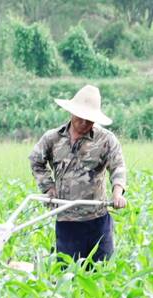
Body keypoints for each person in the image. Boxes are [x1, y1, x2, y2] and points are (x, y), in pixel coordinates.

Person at [29, 84, 127, 263]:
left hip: (97, 219)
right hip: (67, 220)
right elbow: (36, 161)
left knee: (101, 273)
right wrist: (48, 188)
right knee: (69, 274)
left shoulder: (106, 140)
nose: (83, 123)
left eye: (89, 120)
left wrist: (118, 193)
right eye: (80, 118)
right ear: (71, 113)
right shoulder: (53, 138)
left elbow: (118, 166)